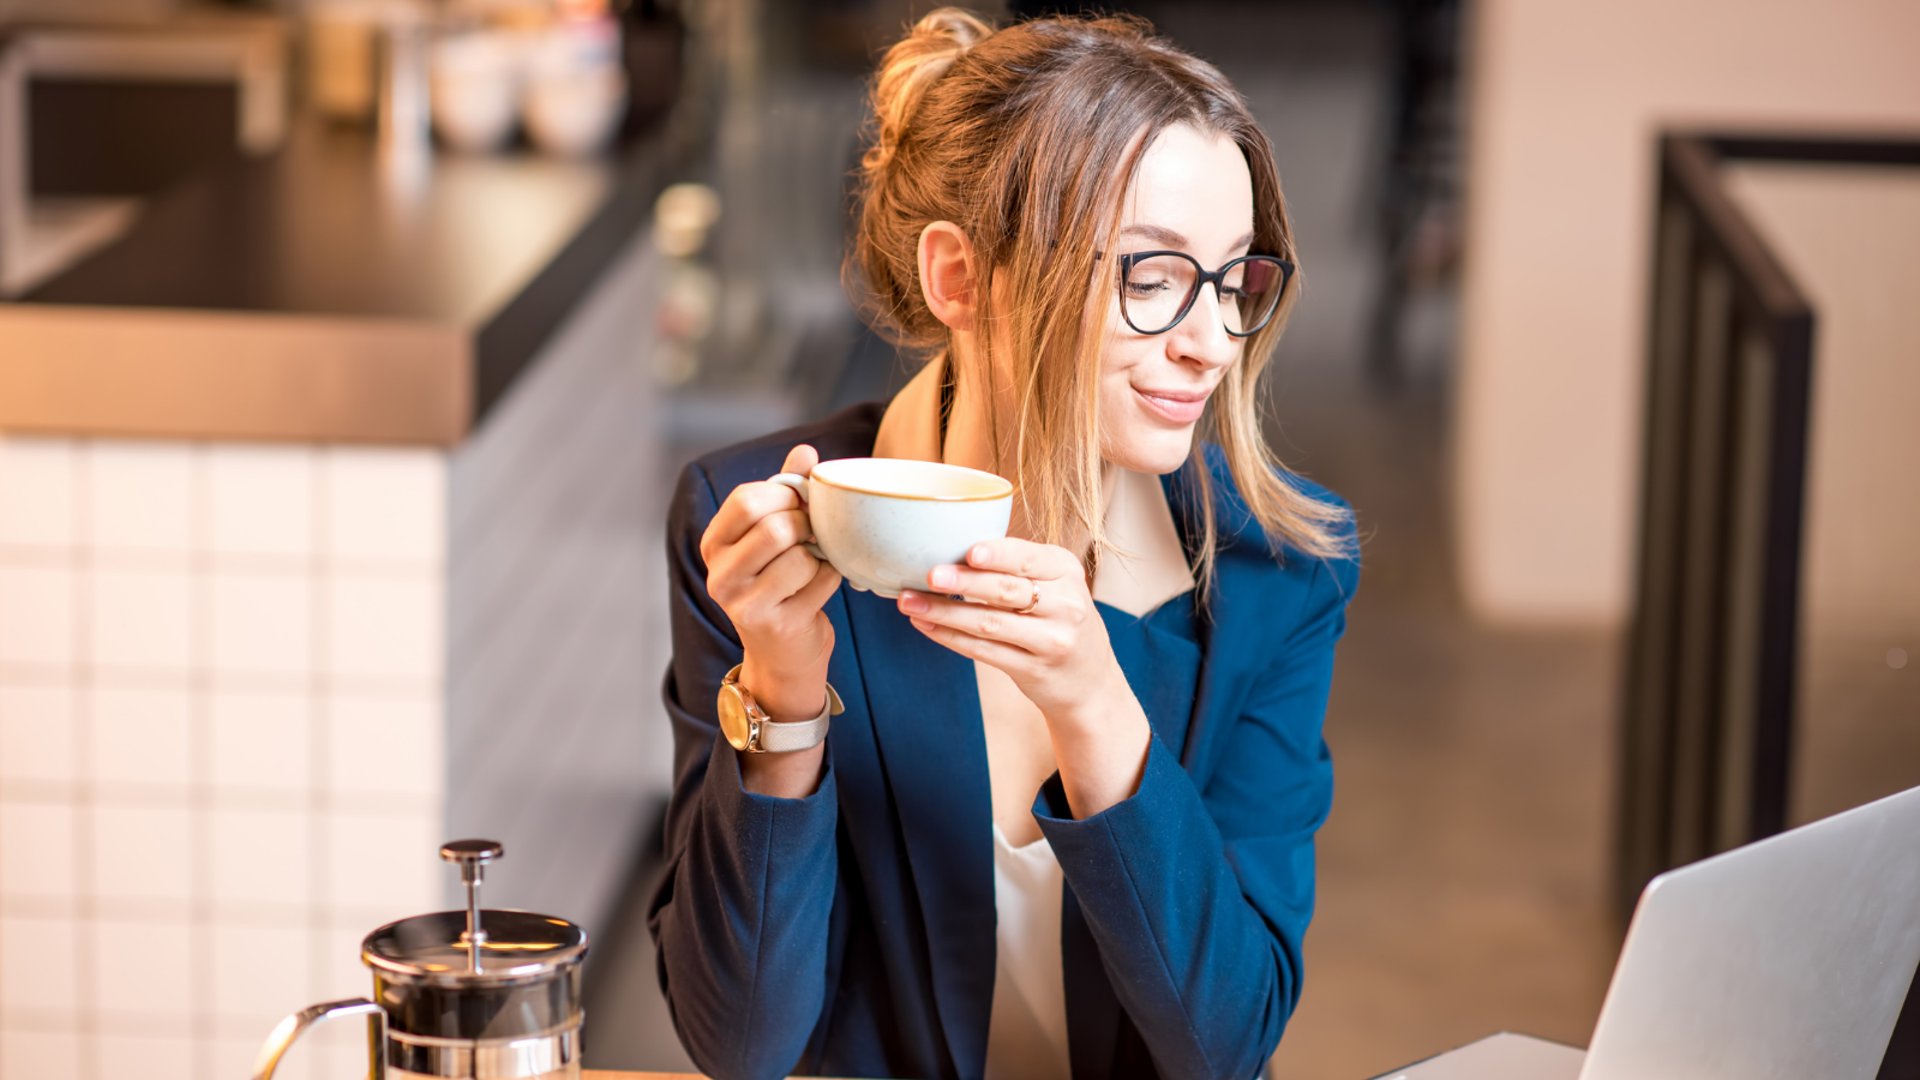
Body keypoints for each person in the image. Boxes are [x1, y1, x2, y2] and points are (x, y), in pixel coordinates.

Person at [647, 9, 1360, 1079]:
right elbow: (742, 1042)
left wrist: (1093, 699)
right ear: (961, 280)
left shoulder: (1281, 573)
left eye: (1234, 281)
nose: (1211, 341)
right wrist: (785, 692)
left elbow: (1228, 1044)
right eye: (1151, 276)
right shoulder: (755, 528)